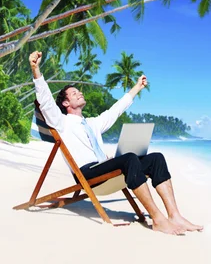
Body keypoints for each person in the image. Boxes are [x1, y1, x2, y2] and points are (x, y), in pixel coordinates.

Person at [29, 50, 202, 235]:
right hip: (87, 173)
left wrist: (137, 87)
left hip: (103, 168)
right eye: (73, 93)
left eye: (78, 91)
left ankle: (175, 215)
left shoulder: (93, 123)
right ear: (65, 104)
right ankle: (158, 219)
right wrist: (35, 69)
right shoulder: (61, 122)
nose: (79, 93)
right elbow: (46, 102)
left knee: (156, 158)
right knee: (128, 159)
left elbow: (116, 110)